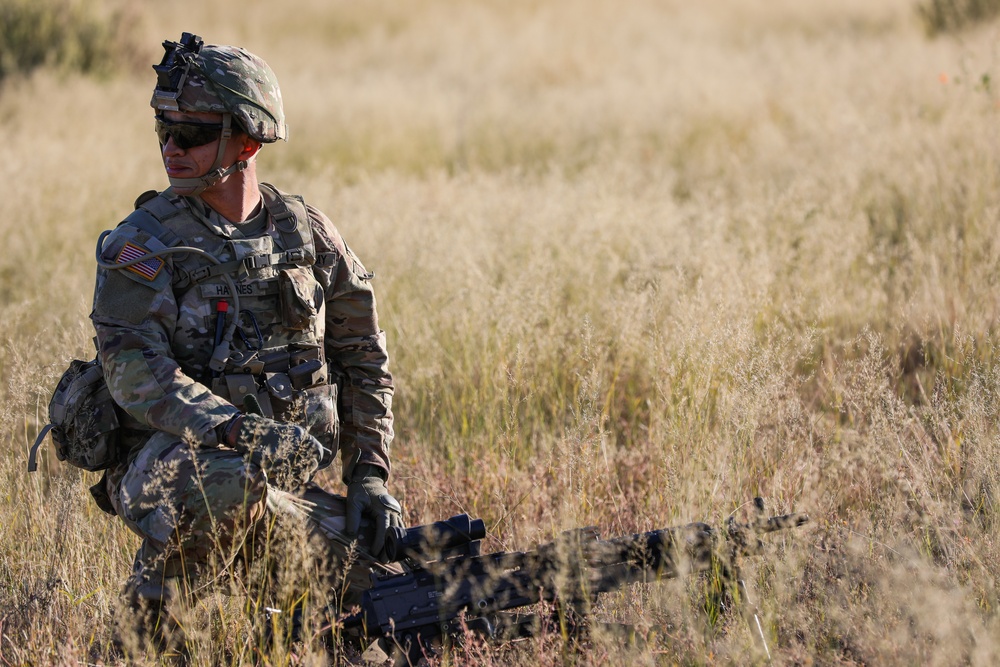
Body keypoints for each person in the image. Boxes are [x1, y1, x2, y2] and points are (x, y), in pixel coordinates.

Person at [90, 32, 402, 652]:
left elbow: (363, 360)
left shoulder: (307, 235)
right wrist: (235, 430)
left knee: (383, 590)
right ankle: (144, 643)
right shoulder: (142, 244)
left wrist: (368, 473)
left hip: (285, 477)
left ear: (248, 140)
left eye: (193, 133)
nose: (171, 149)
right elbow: (131, 371)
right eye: (164, 130)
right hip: (171, 460)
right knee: (225, 488)